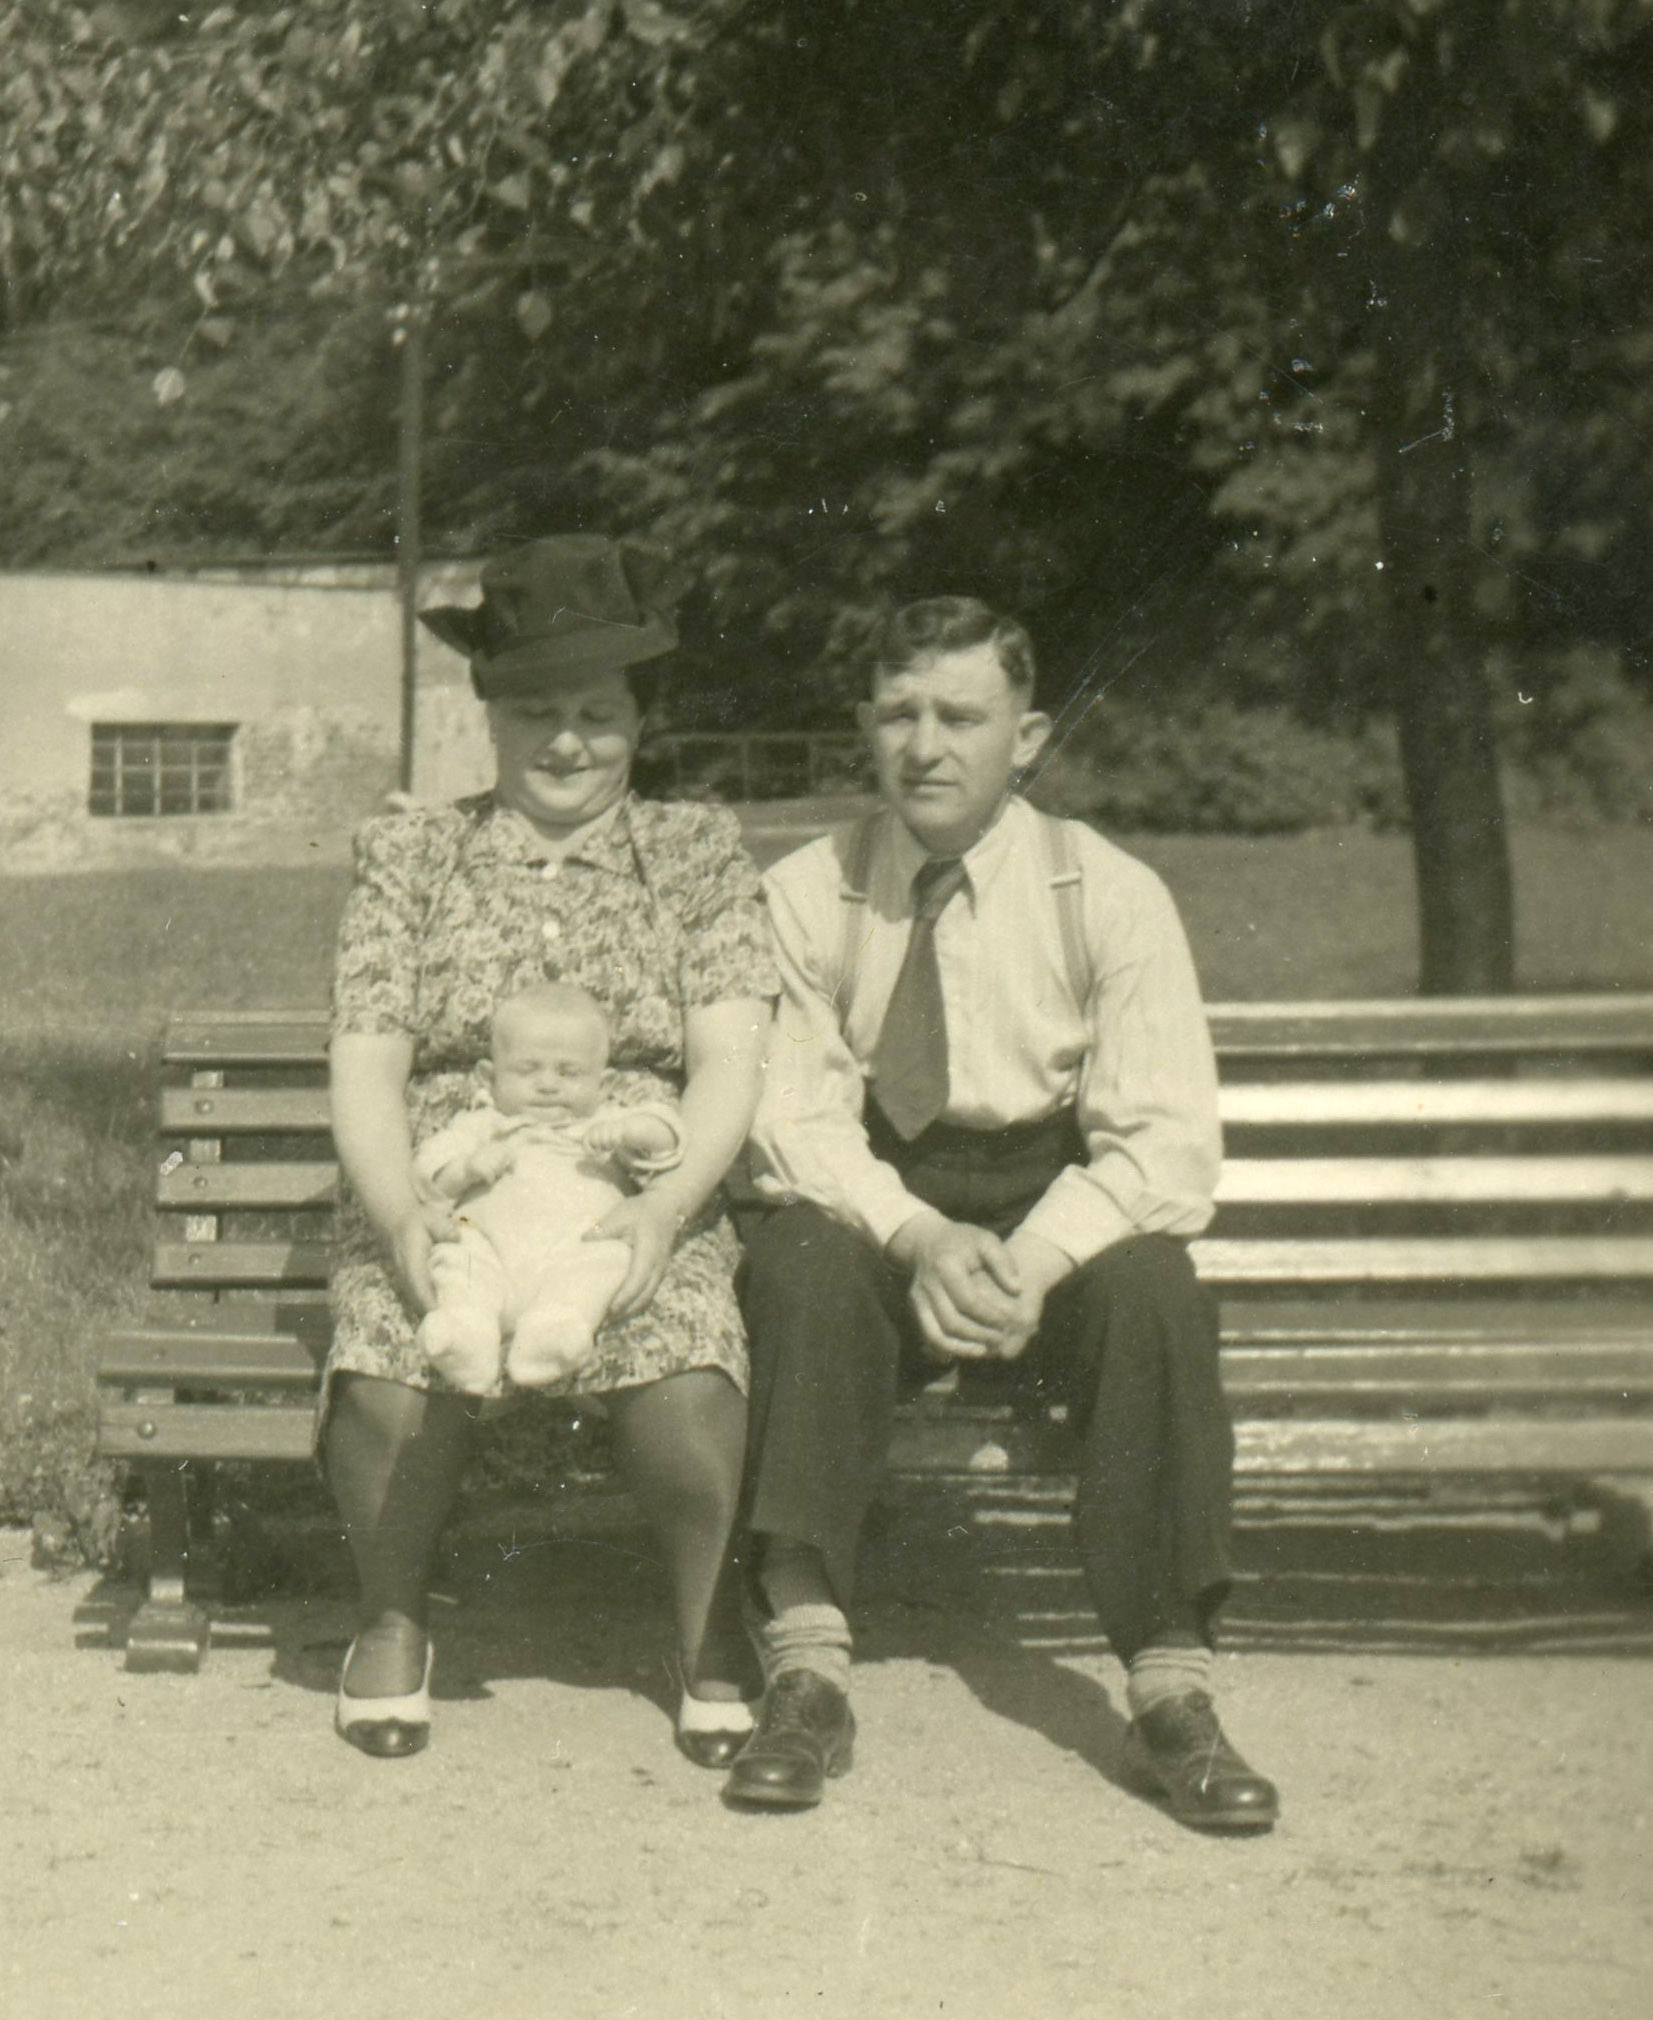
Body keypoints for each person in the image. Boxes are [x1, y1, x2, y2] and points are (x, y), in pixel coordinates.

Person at [731, 595, 1279, 1830]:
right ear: (866, 731)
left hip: (1049, 1198)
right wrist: (916, 1235)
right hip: (881, 1198)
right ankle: (807, 1664)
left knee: (1153, 1287)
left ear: (1025, 738)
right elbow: (793, 1121)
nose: (925, 744)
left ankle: (1172, 1683)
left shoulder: (1107, 891)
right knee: (800, 1260)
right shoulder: (810, 893)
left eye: (960, 716)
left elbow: (1164, 1143)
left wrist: (1030, 1261)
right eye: (898, 713)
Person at [325, 533, 776, 1769]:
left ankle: (705, 1635)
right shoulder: (413, 854)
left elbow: (730, 1059)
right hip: (451, 1180)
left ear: (640, 716)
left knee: (686, 1369)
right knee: (386, 1353)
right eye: (536, 711)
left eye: (596, 711)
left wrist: (668, 1208)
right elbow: (368, 1061)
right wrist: (400, 1209)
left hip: (629, 1187)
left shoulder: (692, 853)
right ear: (490, 715)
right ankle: (393, 1621)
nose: (566, 741)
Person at [412, 981, 686, 1395]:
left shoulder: (603, 1124)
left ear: (604, 1084)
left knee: (608, 1258)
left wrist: (630, 1130)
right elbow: (430, 1176)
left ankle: (554, 1333)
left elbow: (666, 1141)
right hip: (492, 1249)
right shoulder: (485, 1125)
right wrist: (467, 1168)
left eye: (568, 1072)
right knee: (458, 1256)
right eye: (528, 1069)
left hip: (573, 1251)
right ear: (490, 1076)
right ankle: (467, 1337)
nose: (548, 1084)